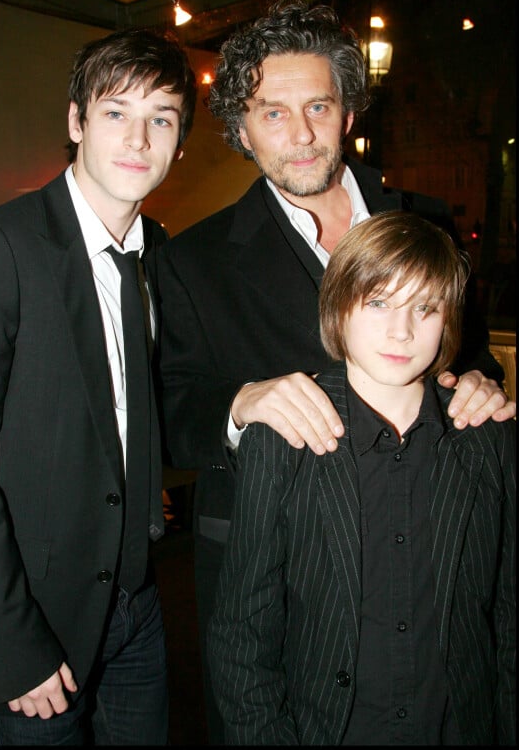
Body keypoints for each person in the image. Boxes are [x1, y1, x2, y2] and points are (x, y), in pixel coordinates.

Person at [155, 0, 516, 743]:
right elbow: (164, 412)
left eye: (318, 104)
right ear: (241, 129)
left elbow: (463, 346)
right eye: (272, 112)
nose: (301, 132)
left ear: (347, 109)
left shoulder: (427, 222)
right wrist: (241, 402)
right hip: (280, 588)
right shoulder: (191, 261)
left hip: (427, 555)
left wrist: (479, 381)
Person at [0, 27, 197, 745]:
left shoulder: (153, 259)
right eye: (116, 112)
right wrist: (7, 644)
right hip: (34, 625)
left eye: (162, 119)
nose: (139, 139)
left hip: (137, 609)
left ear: (178, 144)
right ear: (77, 122)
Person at [207, 211, 516, 746]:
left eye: (425, 308)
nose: (402, 331)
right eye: (378, 302)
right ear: (338, 306)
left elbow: (508, 617)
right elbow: (243, 635)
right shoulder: (280, 441)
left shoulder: (485, 439)